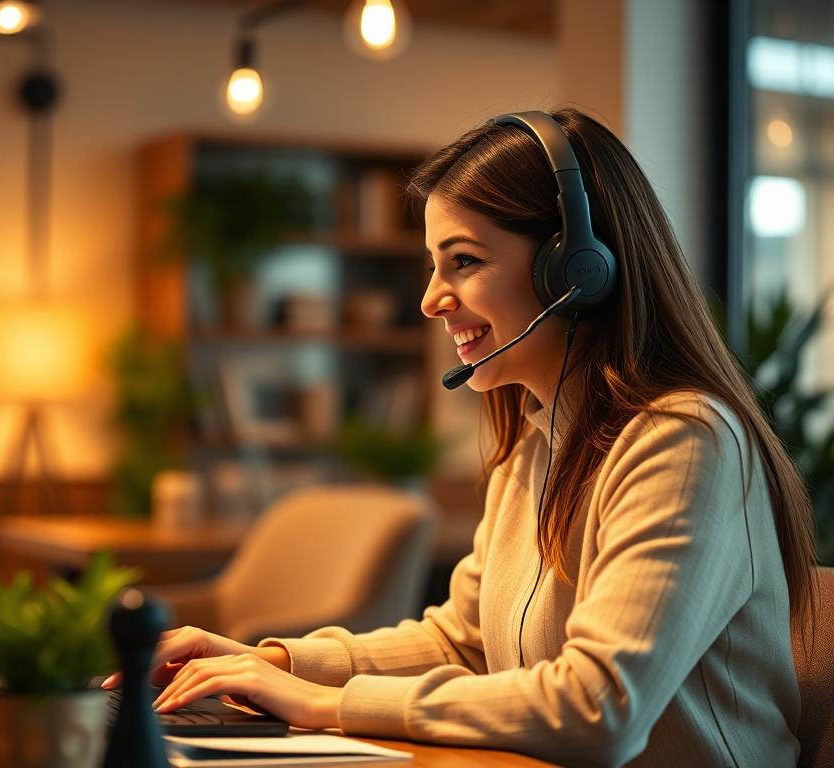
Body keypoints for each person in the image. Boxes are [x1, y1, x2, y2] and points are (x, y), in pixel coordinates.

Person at [112, 109, 816, 767]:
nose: (429, 300)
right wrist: (273, 663)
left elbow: (601, 707)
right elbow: (462, 641)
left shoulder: (684, 442)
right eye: (432, 264)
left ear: (578, 270)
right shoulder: (534, 447)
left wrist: (330, 705)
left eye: (465, 261)